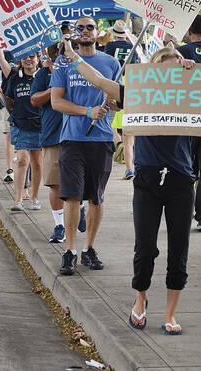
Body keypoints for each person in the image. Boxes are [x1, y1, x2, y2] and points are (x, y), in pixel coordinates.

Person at [61, 38, 195, 335]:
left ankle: (171, 314)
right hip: (147, 179)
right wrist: (71, 56)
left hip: (181, 181)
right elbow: (99, 80)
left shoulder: (191, 93)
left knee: (179, 251)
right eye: (165, 70)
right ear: (153, 72)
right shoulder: (138, 94)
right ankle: (141, 297)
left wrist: (195, 70)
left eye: (176, 71)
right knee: (145, 249)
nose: (170, 77)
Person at [51, 15, 121, 275]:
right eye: (79, 28)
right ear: (74, 35)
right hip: (72, 139)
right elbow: (57, 102)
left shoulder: (111, 63)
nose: (85, 31)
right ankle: (69, 251)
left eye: (89, 27)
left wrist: (110, 104)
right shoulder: (63, 63)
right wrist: (87, 111)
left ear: (97, 31)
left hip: (101, 139)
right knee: (71, 195)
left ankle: (88, 248)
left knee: (96, 198)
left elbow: (119, 99)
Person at [30, 44, 84, 243]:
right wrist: (54, 89)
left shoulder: (81, 69)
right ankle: (59, 225)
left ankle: (80, 208)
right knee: (55, 184)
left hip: (78, 134)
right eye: (61, 51)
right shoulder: (44, 74)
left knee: (80, 180)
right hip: (52, 136)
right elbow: (34, 100)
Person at [177, 14, 201, 231]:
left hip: (187, 117)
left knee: (185, 167)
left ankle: (183, 211)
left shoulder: (181, 53)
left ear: (190, 32)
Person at [0, 39, 43, 212]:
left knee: (37, 163)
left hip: (39, 125)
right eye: (25, 57)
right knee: (22, 160)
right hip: (20, 124)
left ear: (38, 59)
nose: (28, 60)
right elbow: (10, 104)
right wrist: (0, 96)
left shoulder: (44, 76)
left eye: (32, 56)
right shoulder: (14, 77)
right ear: (20, 60)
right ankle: (18, 200)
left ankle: (34, 197)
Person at [105, 20, 137, 180]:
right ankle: (131, 166)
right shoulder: (135, 46)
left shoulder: (109, 47)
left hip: (115, 86)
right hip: (132, 87)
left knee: (113, 123)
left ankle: (128, 166)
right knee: (129, 132)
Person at [0, 46, 16, 183]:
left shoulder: (30, 52)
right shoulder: (5, 52)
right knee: (9, 134)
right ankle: (9, 169)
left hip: (26, 102)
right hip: (6, 100)